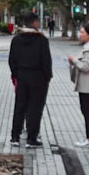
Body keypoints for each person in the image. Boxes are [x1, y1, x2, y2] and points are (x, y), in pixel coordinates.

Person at [8, 12, 52, 148]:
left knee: (20, 105)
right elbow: (46, 61)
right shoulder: (42, 40)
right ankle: (31, 138)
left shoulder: (16, 40)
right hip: (38, 77)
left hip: (21, 76)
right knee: (35, 107)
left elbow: (11, 60)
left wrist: (16, 74)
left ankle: (15, 136)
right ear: (34, 23)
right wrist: (47, 76)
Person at [67, 21, 89, 147]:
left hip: (87, 84)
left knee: (87, 110)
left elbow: (86, 67)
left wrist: (73, 59)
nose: (80, 34)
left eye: (83, 32)